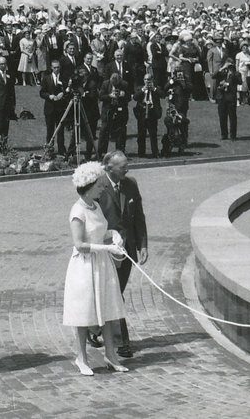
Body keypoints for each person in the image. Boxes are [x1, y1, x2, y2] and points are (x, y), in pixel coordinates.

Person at [63, 162, 129, 376]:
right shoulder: (77, 210)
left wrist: (113, 234)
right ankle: (81, 358)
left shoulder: (96, 206)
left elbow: (99, 230)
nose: (103, 189)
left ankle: (111, 356)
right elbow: (80, 245)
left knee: (108, 310)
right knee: (84, 313)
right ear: (89, 186)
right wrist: (106, 246)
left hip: (102, 265)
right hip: (84, 267)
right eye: (100, 186)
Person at [93, 151, 147, 359]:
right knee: (115, 293)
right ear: (108, 168)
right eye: (122, 166)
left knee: (116, 291)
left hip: (128, 250)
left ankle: (94, 329)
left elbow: (139, 217)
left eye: (127, 165)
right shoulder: (98, 187)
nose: (127, 169)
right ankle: (121, 341)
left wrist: (143, 245)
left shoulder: (131, 184)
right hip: (106, 250)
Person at [40, 59, 69, 155]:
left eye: (58, 67)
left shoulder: (64, 78)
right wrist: (49, 96)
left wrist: (63, 94)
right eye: (55, 68)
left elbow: (67, 91)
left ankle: (61, 150)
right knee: (50, 130)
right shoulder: (46, 78)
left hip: (60, 108)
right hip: (50, 108)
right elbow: (42, 92)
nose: (56, 69)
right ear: (51, 68)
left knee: (60, 131)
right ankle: (49, 150)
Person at [133, 71, 162, 157]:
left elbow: (162, 94)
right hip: (142, 112)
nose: (147, 81)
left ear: (152, 80)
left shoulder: (156, 88)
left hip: (152, 113)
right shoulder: (140, 88)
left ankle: (155, 152)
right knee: (141, 134)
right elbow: (135, 97)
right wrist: (143, 90)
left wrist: (154, 89)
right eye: (145, 79)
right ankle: (141, 153)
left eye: (149, 79)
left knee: (153, 134)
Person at [213, 57, 240, 140]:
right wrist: (223, 68)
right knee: (222, 116)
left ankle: (233, 135)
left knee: (232, 117)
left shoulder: (236, 73)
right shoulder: (222, 72)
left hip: (231, 97)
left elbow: (240, 81)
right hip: (222, 97)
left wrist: (233, 72)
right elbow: (214, 76)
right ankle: (224, 134)